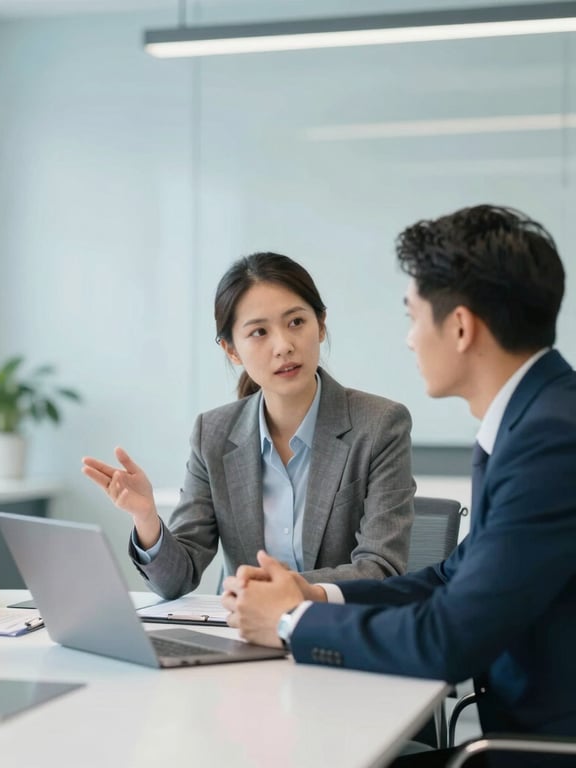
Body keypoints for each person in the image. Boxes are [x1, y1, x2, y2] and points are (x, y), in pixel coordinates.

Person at [223, 206, 576, 767]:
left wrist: (291, 623)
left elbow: (448, 639)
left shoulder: (551, 441)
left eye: (413, 317)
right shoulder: (536, 419)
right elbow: (449, 578)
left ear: (460, 327)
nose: (410, 340)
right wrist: (313, 595)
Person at [82, 252, 415, 600]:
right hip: (243, 639)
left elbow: (381, 568)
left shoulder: (379, 425)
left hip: (338, 633)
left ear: (321, 324)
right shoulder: (213, 433)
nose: (284, 346)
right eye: (259, 332)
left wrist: (285, 591)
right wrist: (146, 517)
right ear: (231, 350)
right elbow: (175, 581)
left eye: (297, 322)